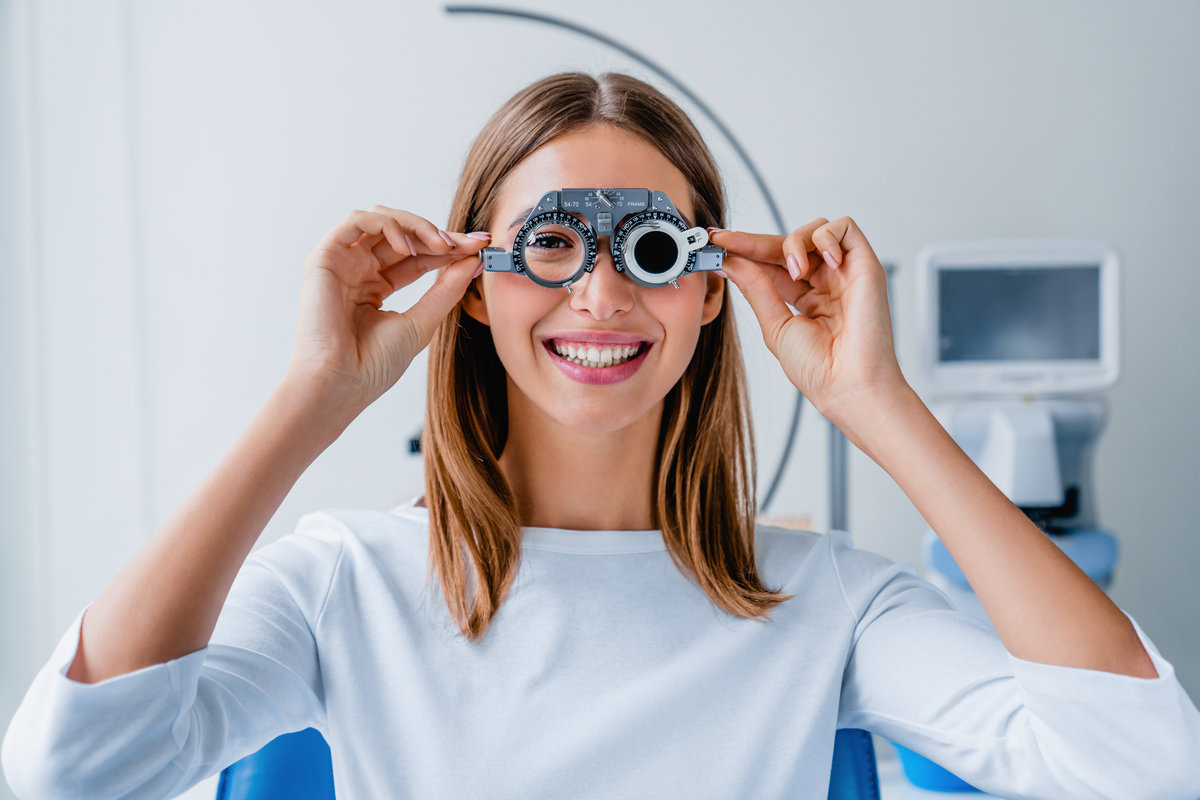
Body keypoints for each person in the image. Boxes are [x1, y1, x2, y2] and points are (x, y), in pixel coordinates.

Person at [3, 71, 1199, 800]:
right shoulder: (342, 583)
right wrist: (315, 393)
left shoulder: (824, 599)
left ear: (711, 285)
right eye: (552, 243)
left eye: (654, 250)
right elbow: (66, 767)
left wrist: (877, 405)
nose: (601, 295)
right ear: (474, 282)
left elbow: (1142, 762)